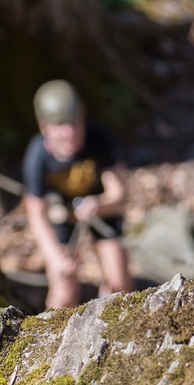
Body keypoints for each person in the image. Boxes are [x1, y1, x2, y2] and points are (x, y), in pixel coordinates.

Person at [23, 79, 134, 309]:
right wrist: (54, 257)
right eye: (61, 125)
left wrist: (98, 205)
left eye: (74, 122)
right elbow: (36, 213)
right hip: (62, 216)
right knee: (63, 289)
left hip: (101, 211)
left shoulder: (98, 139)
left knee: (120, 284)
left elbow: (119, 195)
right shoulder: (37, 157)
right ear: (45, 129)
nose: (70, 132)